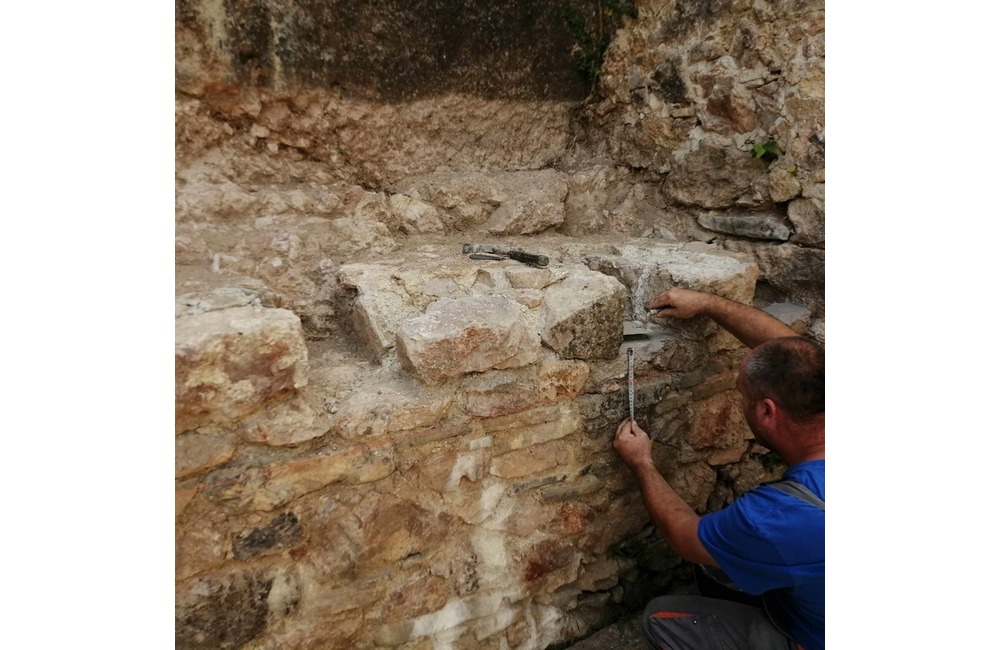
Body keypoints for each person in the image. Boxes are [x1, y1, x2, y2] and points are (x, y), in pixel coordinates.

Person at [614, 288, 824, 650]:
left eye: (741, 393)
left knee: (662, 618)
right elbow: (795, 354)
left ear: (767, 411)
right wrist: (710, 304)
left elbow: (686, 537)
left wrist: (642, 463)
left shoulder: (781, 516)